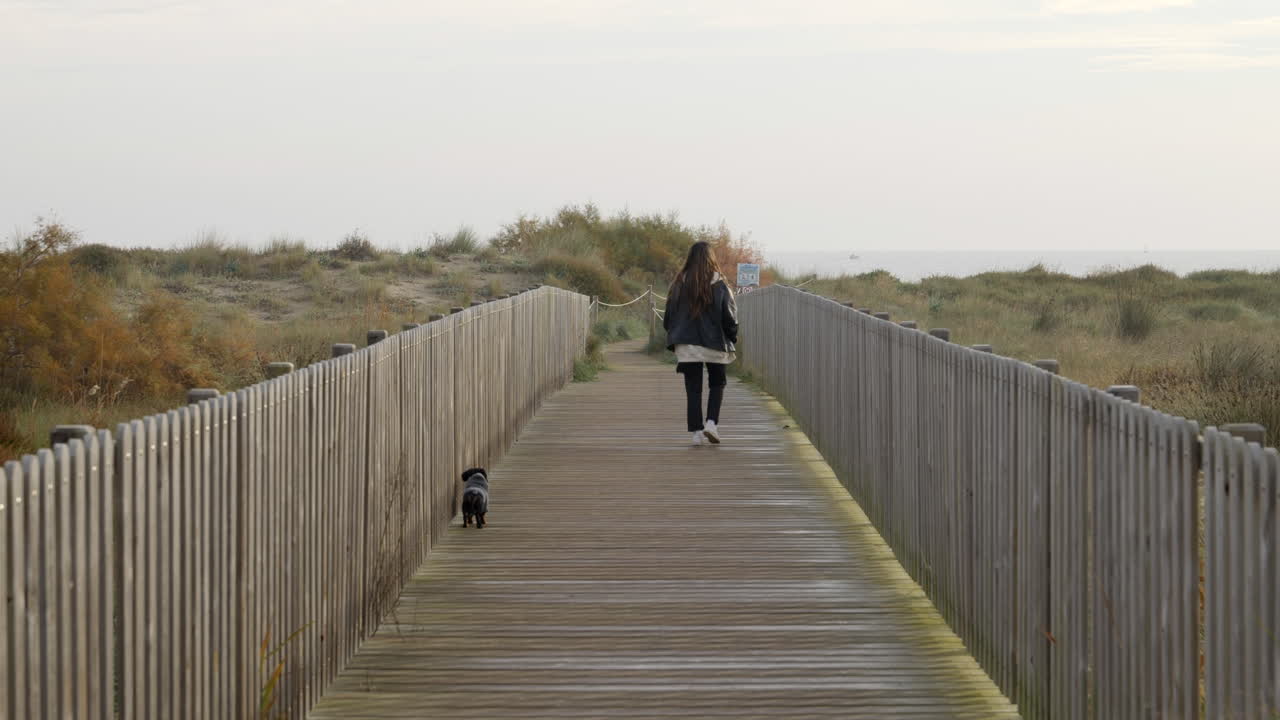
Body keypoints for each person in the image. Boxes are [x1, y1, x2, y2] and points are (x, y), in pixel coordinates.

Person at [662, 241, 739, 445]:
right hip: (714, 344)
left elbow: (668, 316)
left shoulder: (678, 283)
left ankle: (696, 433)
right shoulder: (720, 284)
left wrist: (674, 335)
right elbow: (729, 317)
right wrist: (732, 337)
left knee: (693, 388)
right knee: (717, 383)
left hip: (687, 344)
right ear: (710, 258)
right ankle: (711, 423)